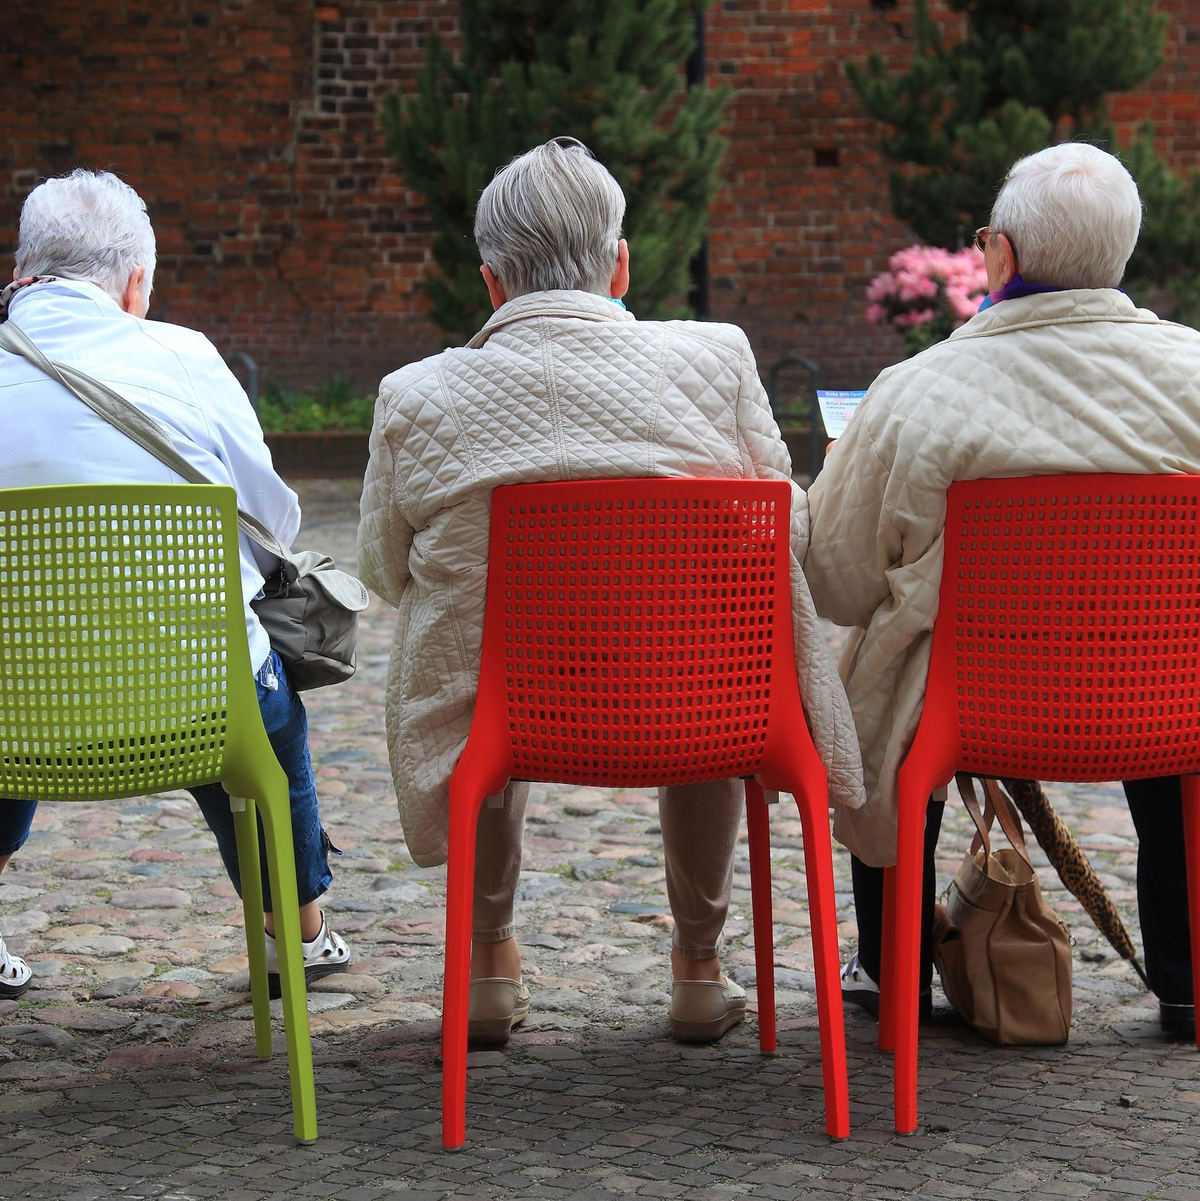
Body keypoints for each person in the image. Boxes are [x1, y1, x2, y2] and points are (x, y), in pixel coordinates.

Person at [358, 137, 864, 1044]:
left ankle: (486, 965)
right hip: (694, 699)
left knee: (480, 652)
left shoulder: (415, 395)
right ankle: (700, 971)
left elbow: (382, 570)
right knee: (715, 649)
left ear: (491, 283)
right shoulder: (716, 359)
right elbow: (779, 520)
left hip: (516, 710)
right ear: (620, 265)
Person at [804, 141, 1200, 1035]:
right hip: (1167, 693)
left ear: (1003, 255)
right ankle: (1186, 977)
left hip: (968, 705)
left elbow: (833, 578)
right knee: (1180, 703)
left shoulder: (915, 392)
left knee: (882, 665)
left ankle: (890, 965)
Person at [0, 169, 350, 999]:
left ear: (21, 271)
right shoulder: (186, 356)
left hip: (13, 704)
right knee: (262, 710)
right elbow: (275, 521)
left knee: (18, 672)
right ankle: (295, 933)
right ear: (132, 285)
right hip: (196, 701)